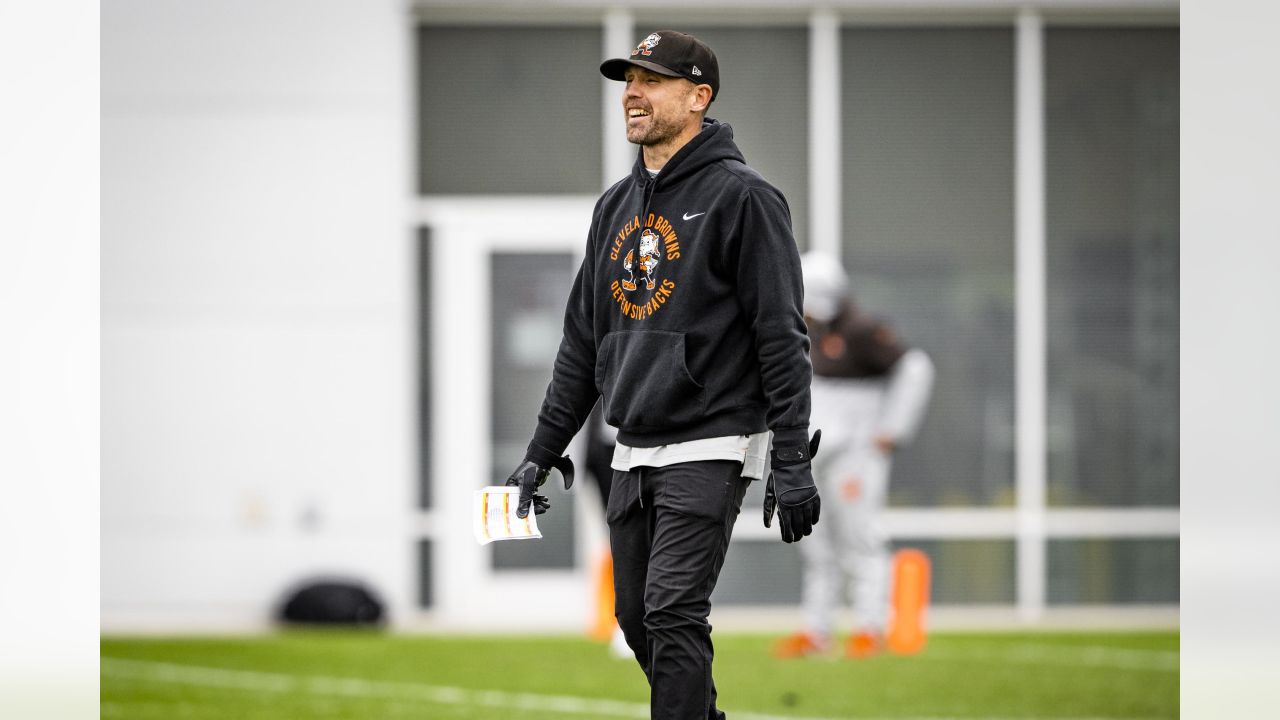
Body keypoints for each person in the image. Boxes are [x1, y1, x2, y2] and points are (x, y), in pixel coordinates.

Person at [503, 29, 821, 720]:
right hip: (633, 447)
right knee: (637, 619)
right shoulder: (613, 207)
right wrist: (540, 451)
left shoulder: (746, 199)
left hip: (712, 441)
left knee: (674, 611)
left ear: (698, 96)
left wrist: (791, 458)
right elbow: (583, 342)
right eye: (628, 80)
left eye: (651, 80)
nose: (633, 93)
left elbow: (781, 336)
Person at [772, 251, 935, 659]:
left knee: (861, 540)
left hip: (856, 457)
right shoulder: (805, 330)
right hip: (817, 455)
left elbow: (915, 369)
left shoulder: (862, 329)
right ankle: (817, 631)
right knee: (817, 545)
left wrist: (891, 431)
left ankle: (868, 627)